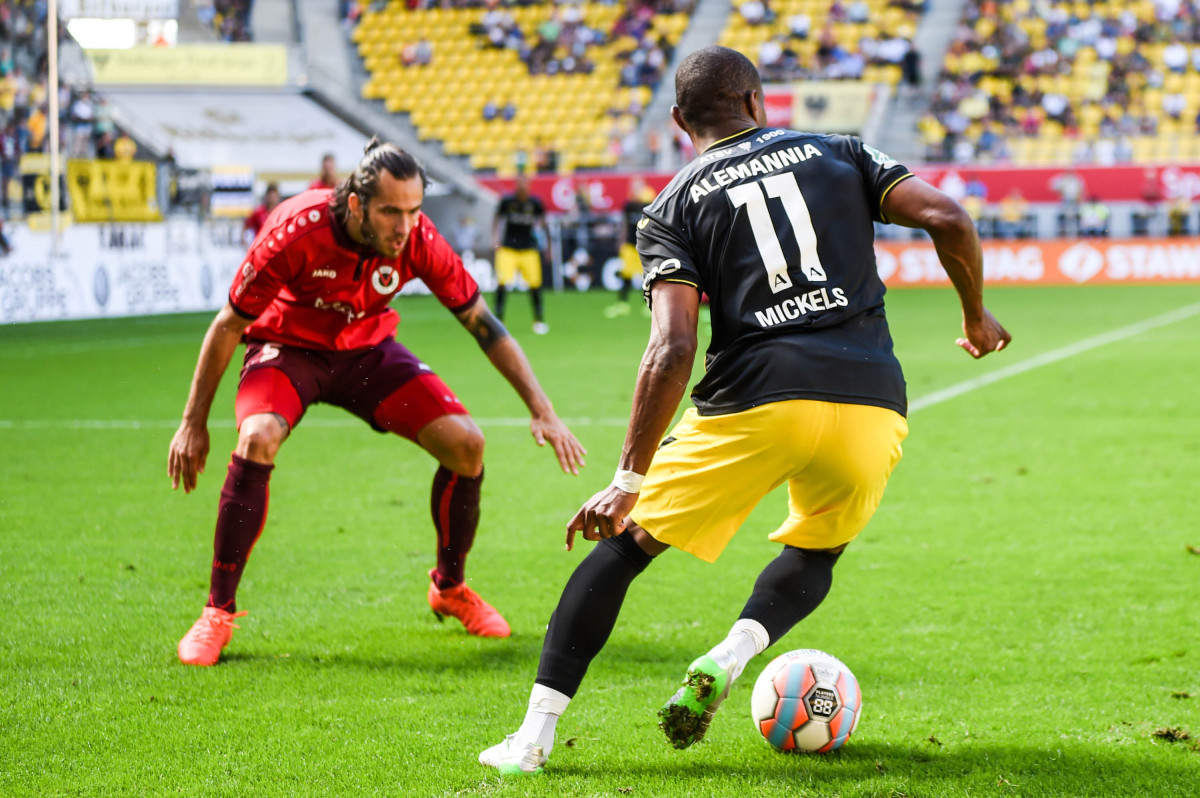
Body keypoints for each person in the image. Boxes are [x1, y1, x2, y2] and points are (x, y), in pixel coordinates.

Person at [479, 46, 1010, 774]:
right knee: (817, 551)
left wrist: (627, 481)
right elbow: (947, 216)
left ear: (678, 121)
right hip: (871, 400)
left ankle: (532, 740)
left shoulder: (671, 207)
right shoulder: (841, 151)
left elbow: (672, 347)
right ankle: (733, 652)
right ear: (757, 102)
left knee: (624, 548)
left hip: (755, 400)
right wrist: (975, 315)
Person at [169, 139, 586, 666]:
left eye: (414, 210)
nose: (405, 226)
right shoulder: (296, 230)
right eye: (391, 211)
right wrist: (193, 423)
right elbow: (228, 324)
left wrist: (542, 409)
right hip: (288, 352)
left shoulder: (419, 239)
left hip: (367, 352)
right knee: (257, 436)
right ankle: (217, 612)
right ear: (356, 204)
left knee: (467, 445)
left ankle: (450, 588)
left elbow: (483, 324)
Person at [492, 175, 550, 334]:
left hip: (529, 249)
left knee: (535, 285)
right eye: (519, 185)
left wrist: (548, 247)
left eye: (524, 185)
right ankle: (498, 320)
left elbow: (544, 223)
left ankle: (539, 320)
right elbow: (497, 218)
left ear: (528, 187)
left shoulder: (535, 203)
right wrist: (495, 239)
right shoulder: (507, 202)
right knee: (502, 283)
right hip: (508, 249)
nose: (521, 188)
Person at [605, 179, 655, 318]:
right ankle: (623, 303)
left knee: (647, 275)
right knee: (626, 274)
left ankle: (648, 304)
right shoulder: (628, 206)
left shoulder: (648, 205)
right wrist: (621, 241)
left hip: (643, 245)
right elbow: (625, 224)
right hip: (630, 245)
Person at [242, 182, 282, 246]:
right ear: (267, 196)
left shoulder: (281, 212)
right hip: (260, 247)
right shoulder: (258, 212)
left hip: (276, 247)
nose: (272, 199)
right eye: (271, 196)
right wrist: (246, 245)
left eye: (275, 196)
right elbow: (245, 227)